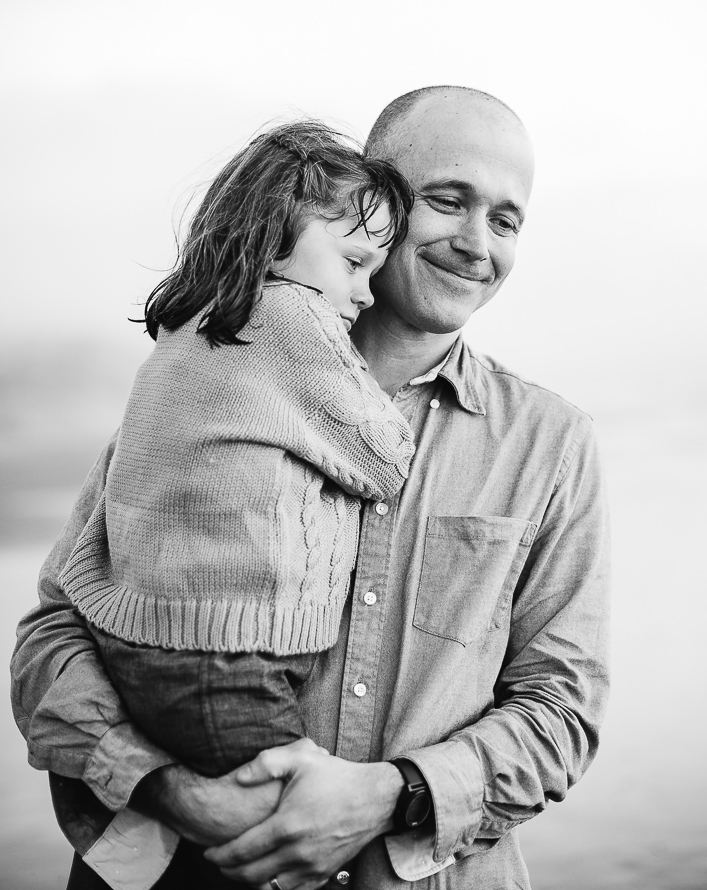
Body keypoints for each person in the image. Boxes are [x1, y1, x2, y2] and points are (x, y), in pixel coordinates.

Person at [12, 86, 611, 890]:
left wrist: (386, 797)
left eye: (506, 220)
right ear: (376, 201)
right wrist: (172, 790)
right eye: (448, 200)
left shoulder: (552, 443)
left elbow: (563, 714)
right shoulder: (218, 378)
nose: (477, 243)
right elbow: (54, 634)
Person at [58, 119, 416, 781]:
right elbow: (384, 458)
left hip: (139, 645)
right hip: (227, 659)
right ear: (275, 239)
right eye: (355, 262)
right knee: (283, 832)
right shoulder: (291, 315)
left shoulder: (186, 332)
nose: (366, 294)